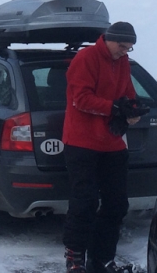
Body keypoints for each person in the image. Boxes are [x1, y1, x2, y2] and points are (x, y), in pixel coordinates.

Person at [62, 22, 146, 273]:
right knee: (85, 202)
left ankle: (102, 259)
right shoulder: (86, 58)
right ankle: (74, 258)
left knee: (117, 204)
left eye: (129, 48)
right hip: (81, 142)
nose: (125, 51)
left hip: (112, 143)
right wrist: (114, 108)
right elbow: (82, 99)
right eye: (122, 46)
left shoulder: (121, 62)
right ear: (109, 40)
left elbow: (129, 94)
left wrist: (133, 108)